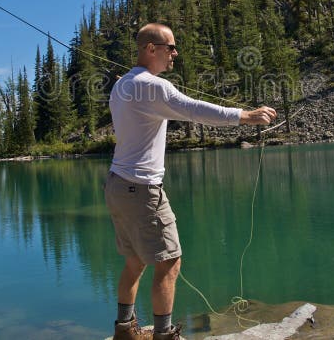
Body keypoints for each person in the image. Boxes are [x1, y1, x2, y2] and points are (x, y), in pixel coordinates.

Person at [106, 23, 277, 340]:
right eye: (170, 47)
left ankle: (124, 330)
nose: (175, 53)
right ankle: (164, 334)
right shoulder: (153, 87)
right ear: (150, 49)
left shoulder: (124, 85)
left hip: (117, 186)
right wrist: (247, 116)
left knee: (134, 261)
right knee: (169, 263)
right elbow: (195, 110)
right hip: (142, 189)